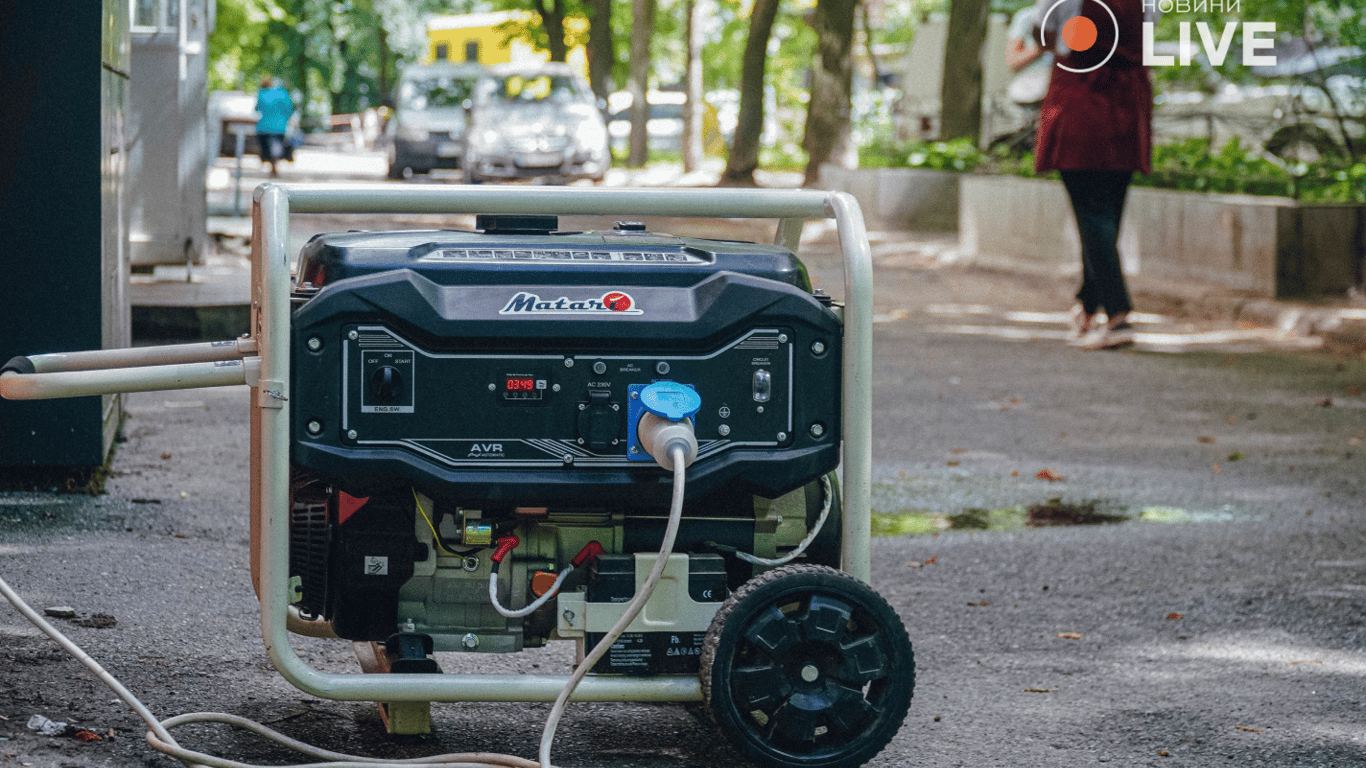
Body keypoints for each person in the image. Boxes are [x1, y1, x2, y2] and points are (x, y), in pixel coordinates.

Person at [1027, 0, 1153, 350]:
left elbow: (1043, 31)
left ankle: (1118, 316)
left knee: (1093, 213)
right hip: (1128, 101)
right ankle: (1086, 305)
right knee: (1107, 212)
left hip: (1081, 96)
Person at [255, 77, 295, 177]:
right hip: (280, 126)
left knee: (265, 148)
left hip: (264, 126)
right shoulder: (283, 93)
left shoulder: (262, 94)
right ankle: (277, 163)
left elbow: (257, 108)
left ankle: (271, 164)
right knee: (279, 145)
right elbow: (289, 109)